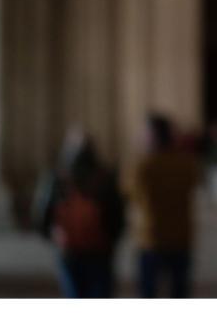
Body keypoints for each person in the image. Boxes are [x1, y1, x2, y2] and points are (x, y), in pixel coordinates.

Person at [34, 126, 125, 298]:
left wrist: (53, 237)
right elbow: (117, 216)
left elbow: (42, 216)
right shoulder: (105, 176)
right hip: (100, 249)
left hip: (70, 250)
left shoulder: (57, 176)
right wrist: (111, 241)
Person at [130, 113, 201, 298]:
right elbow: (193, 184)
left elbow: (131, 194)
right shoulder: (186, 163)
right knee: (179, 292)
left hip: (152, 237)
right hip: (181, 236)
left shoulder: (144, 166)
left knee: (148, 292)